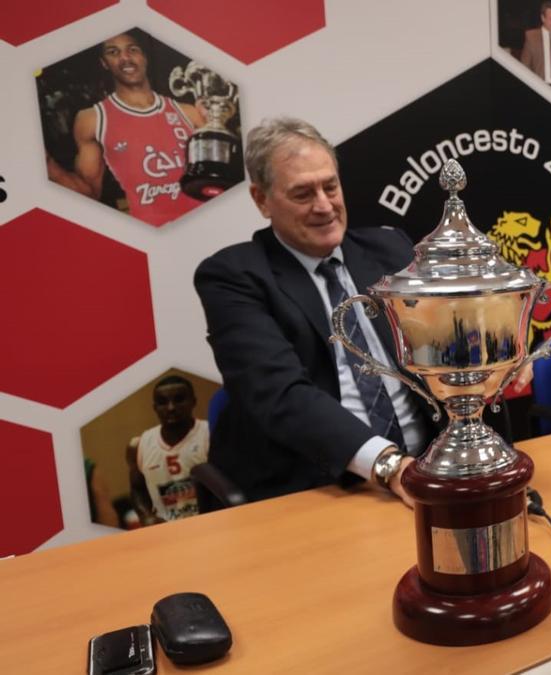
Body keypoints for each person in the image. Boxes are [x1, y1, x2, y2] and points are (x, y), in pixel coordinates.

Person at [194, 117, 432, 507]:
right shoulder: (232, 277)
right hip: (316, 486)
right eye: (303, 193)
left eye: (330, 186)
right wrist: (389, 466)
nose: (324, 206)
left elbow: (441, 346)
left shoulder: (391, 250)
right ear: (261, 200)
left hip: (423, 473)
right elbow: (280, 394)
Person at [46, 30, 205, 226]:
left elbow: (224, 173)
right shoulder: (92, 119)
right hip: (152, 233)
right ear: (104, 63)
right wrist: (49, 165)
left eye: (133, 50)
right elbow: (89, 194)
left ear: (144, 57)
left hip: (205, 222)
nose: (125, 58)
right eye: (113, 52)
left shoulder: (189, 112)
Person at [126, 375, 209, 524]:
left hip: (210, 525)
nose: (171, 408)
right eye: (163, 402)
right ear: (155, 408)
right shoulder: (138, 446)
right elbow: (137, 489)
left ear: (193, 402)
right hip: (166, 532)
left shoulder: (210, 434)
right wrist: (146, 516)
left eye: (178, 400)